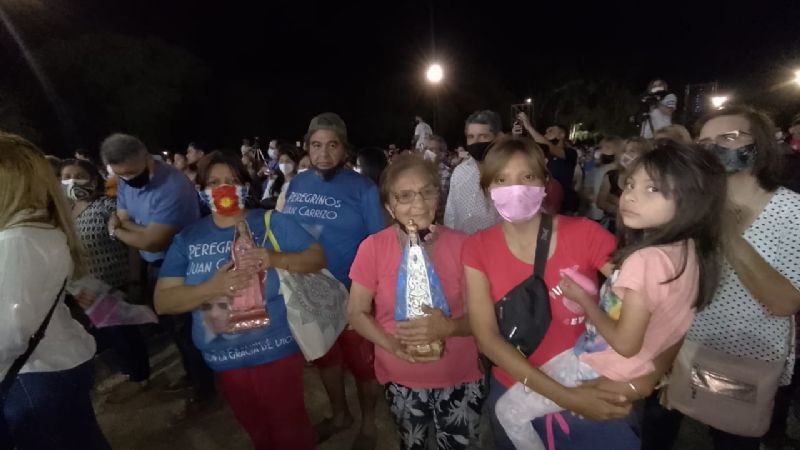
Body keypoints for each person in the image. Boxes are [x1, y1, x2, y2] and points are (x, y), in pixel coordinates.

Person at [493, 140, 727, 450]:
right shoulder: (690, 253)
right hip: (635, 369)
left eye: (652, 189)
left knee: (507, 411)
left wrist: (585, 301)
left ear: (692, 201)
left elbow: (625, 344)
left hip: (601, 365)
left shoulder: (644, 261)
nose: (630, 195)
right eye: (630, 184)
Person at [643, 106, 800, 450]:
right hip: (678, 345)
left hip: (744, 358)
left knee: (732, 438)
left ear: (760, 145)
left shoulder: (791, 211)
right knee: (656, 428)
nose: (713, 148)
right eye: (703, 143)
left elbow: (784, 302)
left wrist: (725, 227)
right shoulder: (690, 205)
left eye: (728, 138)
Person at [155, 151, 322, 449]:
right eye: (214, 182)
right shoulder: (188, 239)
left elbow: (316, 258)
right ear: (201, 190)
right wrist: (212, 288)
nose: (224, 188)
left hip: (275, 349)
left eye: (232, 181)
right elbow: (163, 301)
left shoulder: (270, 222)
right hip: (223, 359)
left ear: (245, 186)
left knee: (291, 429)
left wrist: (274, 258)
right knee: (256, 429)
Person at [347, 154, 484, 449]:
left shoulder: (464, 245)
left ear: (438, 197)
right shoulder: (373, 248)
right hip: (402, 376)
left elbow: (483, 317)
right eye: (405, 195)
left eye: (427, 192)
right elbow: (356, 312)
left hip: (458, 375)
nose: (419, 203)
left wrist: (449, 328)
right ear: (389, 206)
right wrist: (392, 345)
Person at [0, 132, 110, 449]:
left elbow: (10, 331)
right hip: (52, 365)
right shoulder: (38, 229)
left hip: (33, 375)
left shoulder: (16, 238)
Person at [282, 112, 386, 447]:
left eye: (332, 145)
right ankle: (340, 415)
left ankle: (368, 424)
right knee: (326, 358)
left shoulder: (364, 189)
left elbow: (380, 246)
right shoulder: (297, 183)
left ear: (344, 149)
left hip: (352, 293)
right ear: (307, 147)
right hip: (309, 293)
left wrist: (369, 299)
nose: (323, 153)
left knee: (363, 365)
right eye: (316, 145)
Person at [100, 133, 215, 417]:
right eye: (121, 175)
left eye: (132, 172)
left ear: (146, 157)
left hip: (182, 266)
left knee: (188, 331)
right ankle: (193, 375)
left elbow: (154, 240)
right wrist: (136, 230)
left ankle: (206, 389)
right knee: (173, 328)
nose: (127, 180)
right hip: (155, 266)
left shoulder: (173, 185)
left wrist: (117, 231)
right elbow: (125, 218)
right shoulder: (126, 180)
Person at [59, 159, 152, 403]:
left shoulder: (107, 206)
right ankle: (129, 371)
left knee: (126, 335)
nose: (71, 181)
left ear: (93, 179)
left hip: (114, 284)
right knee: (112, 335)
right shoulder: (67, 213)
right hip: (86, 289)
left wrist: (134, 279)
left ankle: (140, 377)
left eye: (78, 175)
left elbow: (132, 244)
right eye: (66, 176)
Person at [443, 110, 503, 234]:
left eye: (483, 136)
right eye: (471, 137)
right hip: (463, 242)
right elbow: (451, 214)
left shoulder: (509, 172)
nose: (476, 142)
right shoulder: (460, 172)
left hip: (498, 242)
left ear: (497, 138)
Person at [515, 113, 579, 213]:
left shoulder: (570, 153)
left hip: (564, 207)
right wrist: (517, 135)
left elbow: (547, 145)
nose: (546, 134)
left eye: (551, 131)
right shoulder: (545, 155)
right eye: (546, 132)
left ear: (562, 135)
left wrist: (528, 126)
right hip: (545, 205)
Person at [596, 138, 652, 232]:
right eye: (625, 151)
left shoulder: (650, 180)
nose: (627, 155)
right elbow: (601, 203)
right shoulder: (611, 175)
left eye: (633, 151)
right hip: (611, 227)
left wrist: (615, 201)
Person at [585, 136, 624, 222]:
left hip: (608, 218)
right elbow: (586, 189)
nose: (602, 151)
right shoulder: (596, 170)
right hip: (593, 215)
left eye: (607, 148)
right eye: (601, 147)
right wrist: (589, 195)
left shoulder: (619, 173)